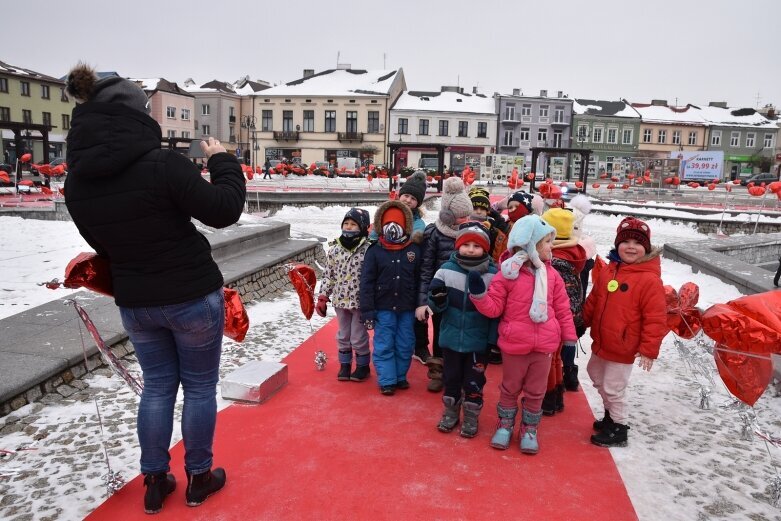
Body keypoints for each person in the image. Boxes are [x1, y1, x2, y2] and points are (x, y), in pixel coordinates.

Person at [63, 63, 245, 514]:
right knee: (199, 388)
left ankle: (154, 481)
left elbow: (99, 242)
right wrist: (222, 159)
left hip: (137, 302)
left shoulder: (76, 182)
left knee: (158, 388)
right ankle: (198, 478)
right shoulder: (162, 164)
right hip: (190, 295)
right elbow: (223, 210)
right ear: (135, 114)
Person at [469, 215, 577, 454]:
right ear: (531, 244)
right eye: (548, 242)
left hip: (544, 346)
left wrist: (569, 339)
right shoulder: (507, 275)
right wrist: (479, 296)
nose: (552, 246)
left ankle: (529, 429)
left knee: (536, 391)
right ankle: (505, 425)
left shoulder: (553, 277)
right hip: (514, 344)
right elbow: (494, 307)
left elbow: (562, 310)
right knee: (510, 388)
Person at [583, 216, 667, 447]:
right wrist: (583, 321)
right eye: (626, 241)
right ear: (617, 244)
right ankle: (611, 415)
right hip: (602, 341)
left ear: (646, 248)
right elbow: (594, 300)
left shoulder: (649, 280)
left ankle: (618, 427)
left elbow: (656, 319)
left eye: (638, 243)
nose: (631, 247)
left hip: (623, 345)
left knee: (613, 387)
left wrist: (648, 350)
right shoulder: (610, 271)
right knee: (595, 375)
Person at [428, 222, 497, 438]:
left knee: (474, 380)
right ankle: (450, 411)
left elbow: (497, 310)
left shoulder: (493, 275)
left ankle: (471, 415)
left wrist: (494, 340)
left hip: (478, 341)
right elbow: (434, 300)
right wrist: (437, 300)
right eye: (465, 244)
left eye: (476, 246)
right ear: (457, 246)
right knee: (452, 377)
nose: (470, 249)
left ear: (485, 249)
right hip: (451, 338)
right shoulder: (446, 270)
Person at [417, 177, 475, 391]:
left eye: (468, 215)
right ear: (447, 216)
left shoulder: (472, 234)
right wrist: (423, 301)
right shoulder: (435, 234)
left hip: (465, 295)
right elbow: (425, 270)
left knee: (462, 332)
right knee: (441, 333)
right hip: (441, 295)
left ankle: (458, 371)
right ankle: (437, 370)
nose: (466, 219)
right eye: (462, 216)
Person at [360, 200, 422, 395]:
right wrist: (368, 310)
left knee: (405, 343)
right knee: (384, 343)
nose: (392, 229)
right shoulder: (375, 251)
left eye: (397, 224)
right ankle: (387, 379)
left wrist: (422, 303)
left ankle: (400, 375)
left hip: (407, 307)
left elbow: (421, 278)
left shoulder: (413, 250)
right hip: (383, 307)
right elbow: (366, 283)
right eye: (387, 225)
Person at [540, 207, 588, 415]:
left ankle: (549, 399)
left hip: (555, 319)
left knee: (548, 360)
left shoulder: (555, 260)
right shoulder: (574, 254)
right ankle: (557, 393)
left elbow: (557, 296)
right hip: (568, 319)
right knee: (557, 359)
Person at [316, 208, 372, 382]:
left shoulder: (368, 249)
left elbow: (372, 277)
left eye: (353, 224)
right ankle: (345, 365)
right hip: (340, 300)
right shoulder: (334, 250)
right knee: (343, 334)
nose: (348, 227)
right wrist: (323, 296)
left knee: (358, 336)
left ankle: (363, 366)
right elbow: (329, 275)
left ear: (363, 227)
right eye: (346, 223)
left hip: (359, 302)